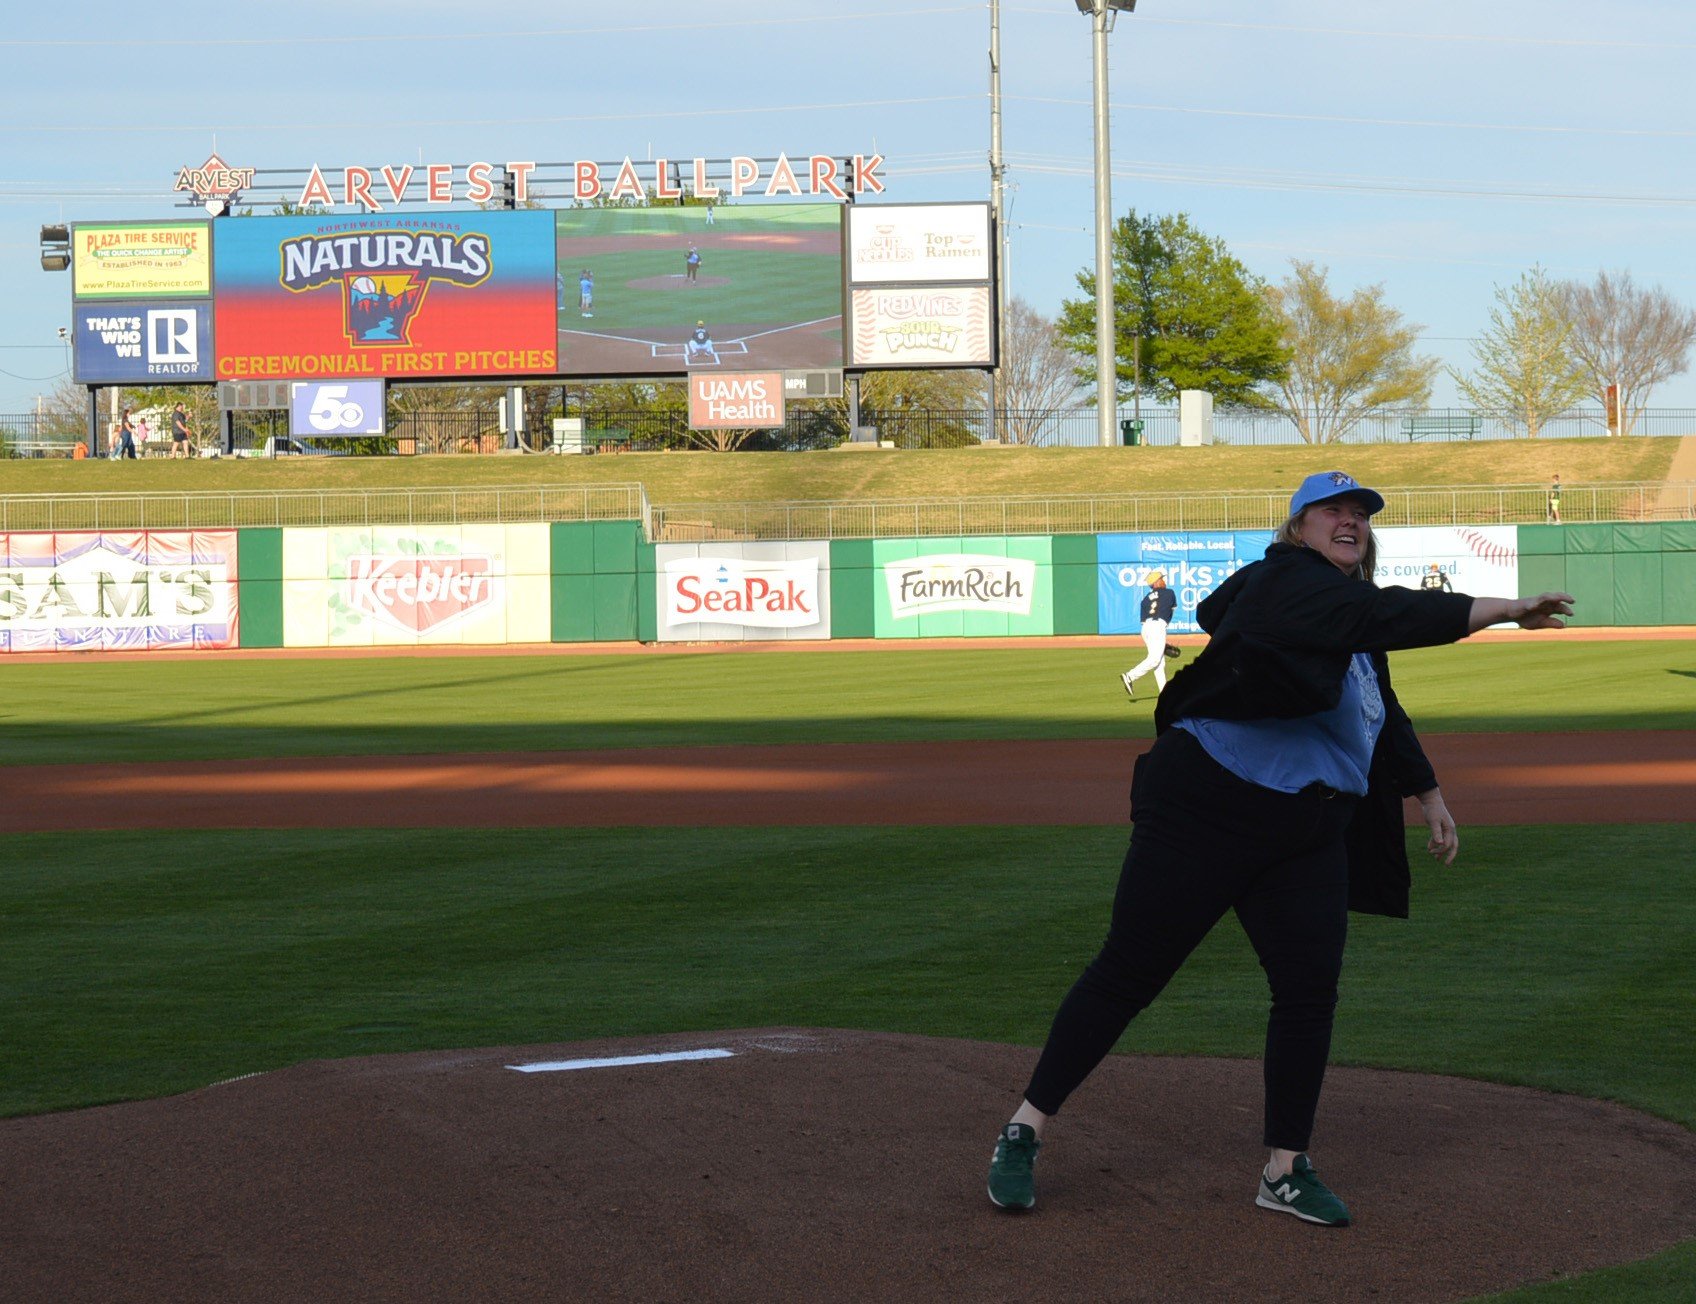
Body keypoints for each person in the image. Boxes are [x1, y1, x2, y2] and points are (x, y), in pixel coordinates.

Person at [986, 469, 1574, 1227]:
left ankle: (1285, 1168)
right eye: (1332, 509)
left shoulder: (1345, 618)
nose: (1350, 519)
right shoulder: (1280, 584)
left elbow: (1378, 703)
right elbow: (1396, 614)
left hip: (1303, 829)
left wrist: (1426, 792)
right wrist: (1499, 609)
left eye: (1361, 512)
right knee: (1129, 972)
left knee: (1307, 991)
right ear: (1297, 528)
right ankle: (1023, 1129)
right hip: (1210, 808)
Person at [1121, 570, 1177, 698]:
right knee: (1155, 659)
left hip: (1146, 628)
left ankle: (1165, 694)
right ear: (1156, 582)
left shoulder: (1145, 599)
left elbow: (1144, 621)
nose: (1164, 580)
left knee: (1159, 663)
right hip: (1158, 626)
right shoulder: (1169, 593)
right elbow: (1170, 612)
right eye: (1162, 578)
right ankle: (1130, 676)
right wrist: (1160, 638)